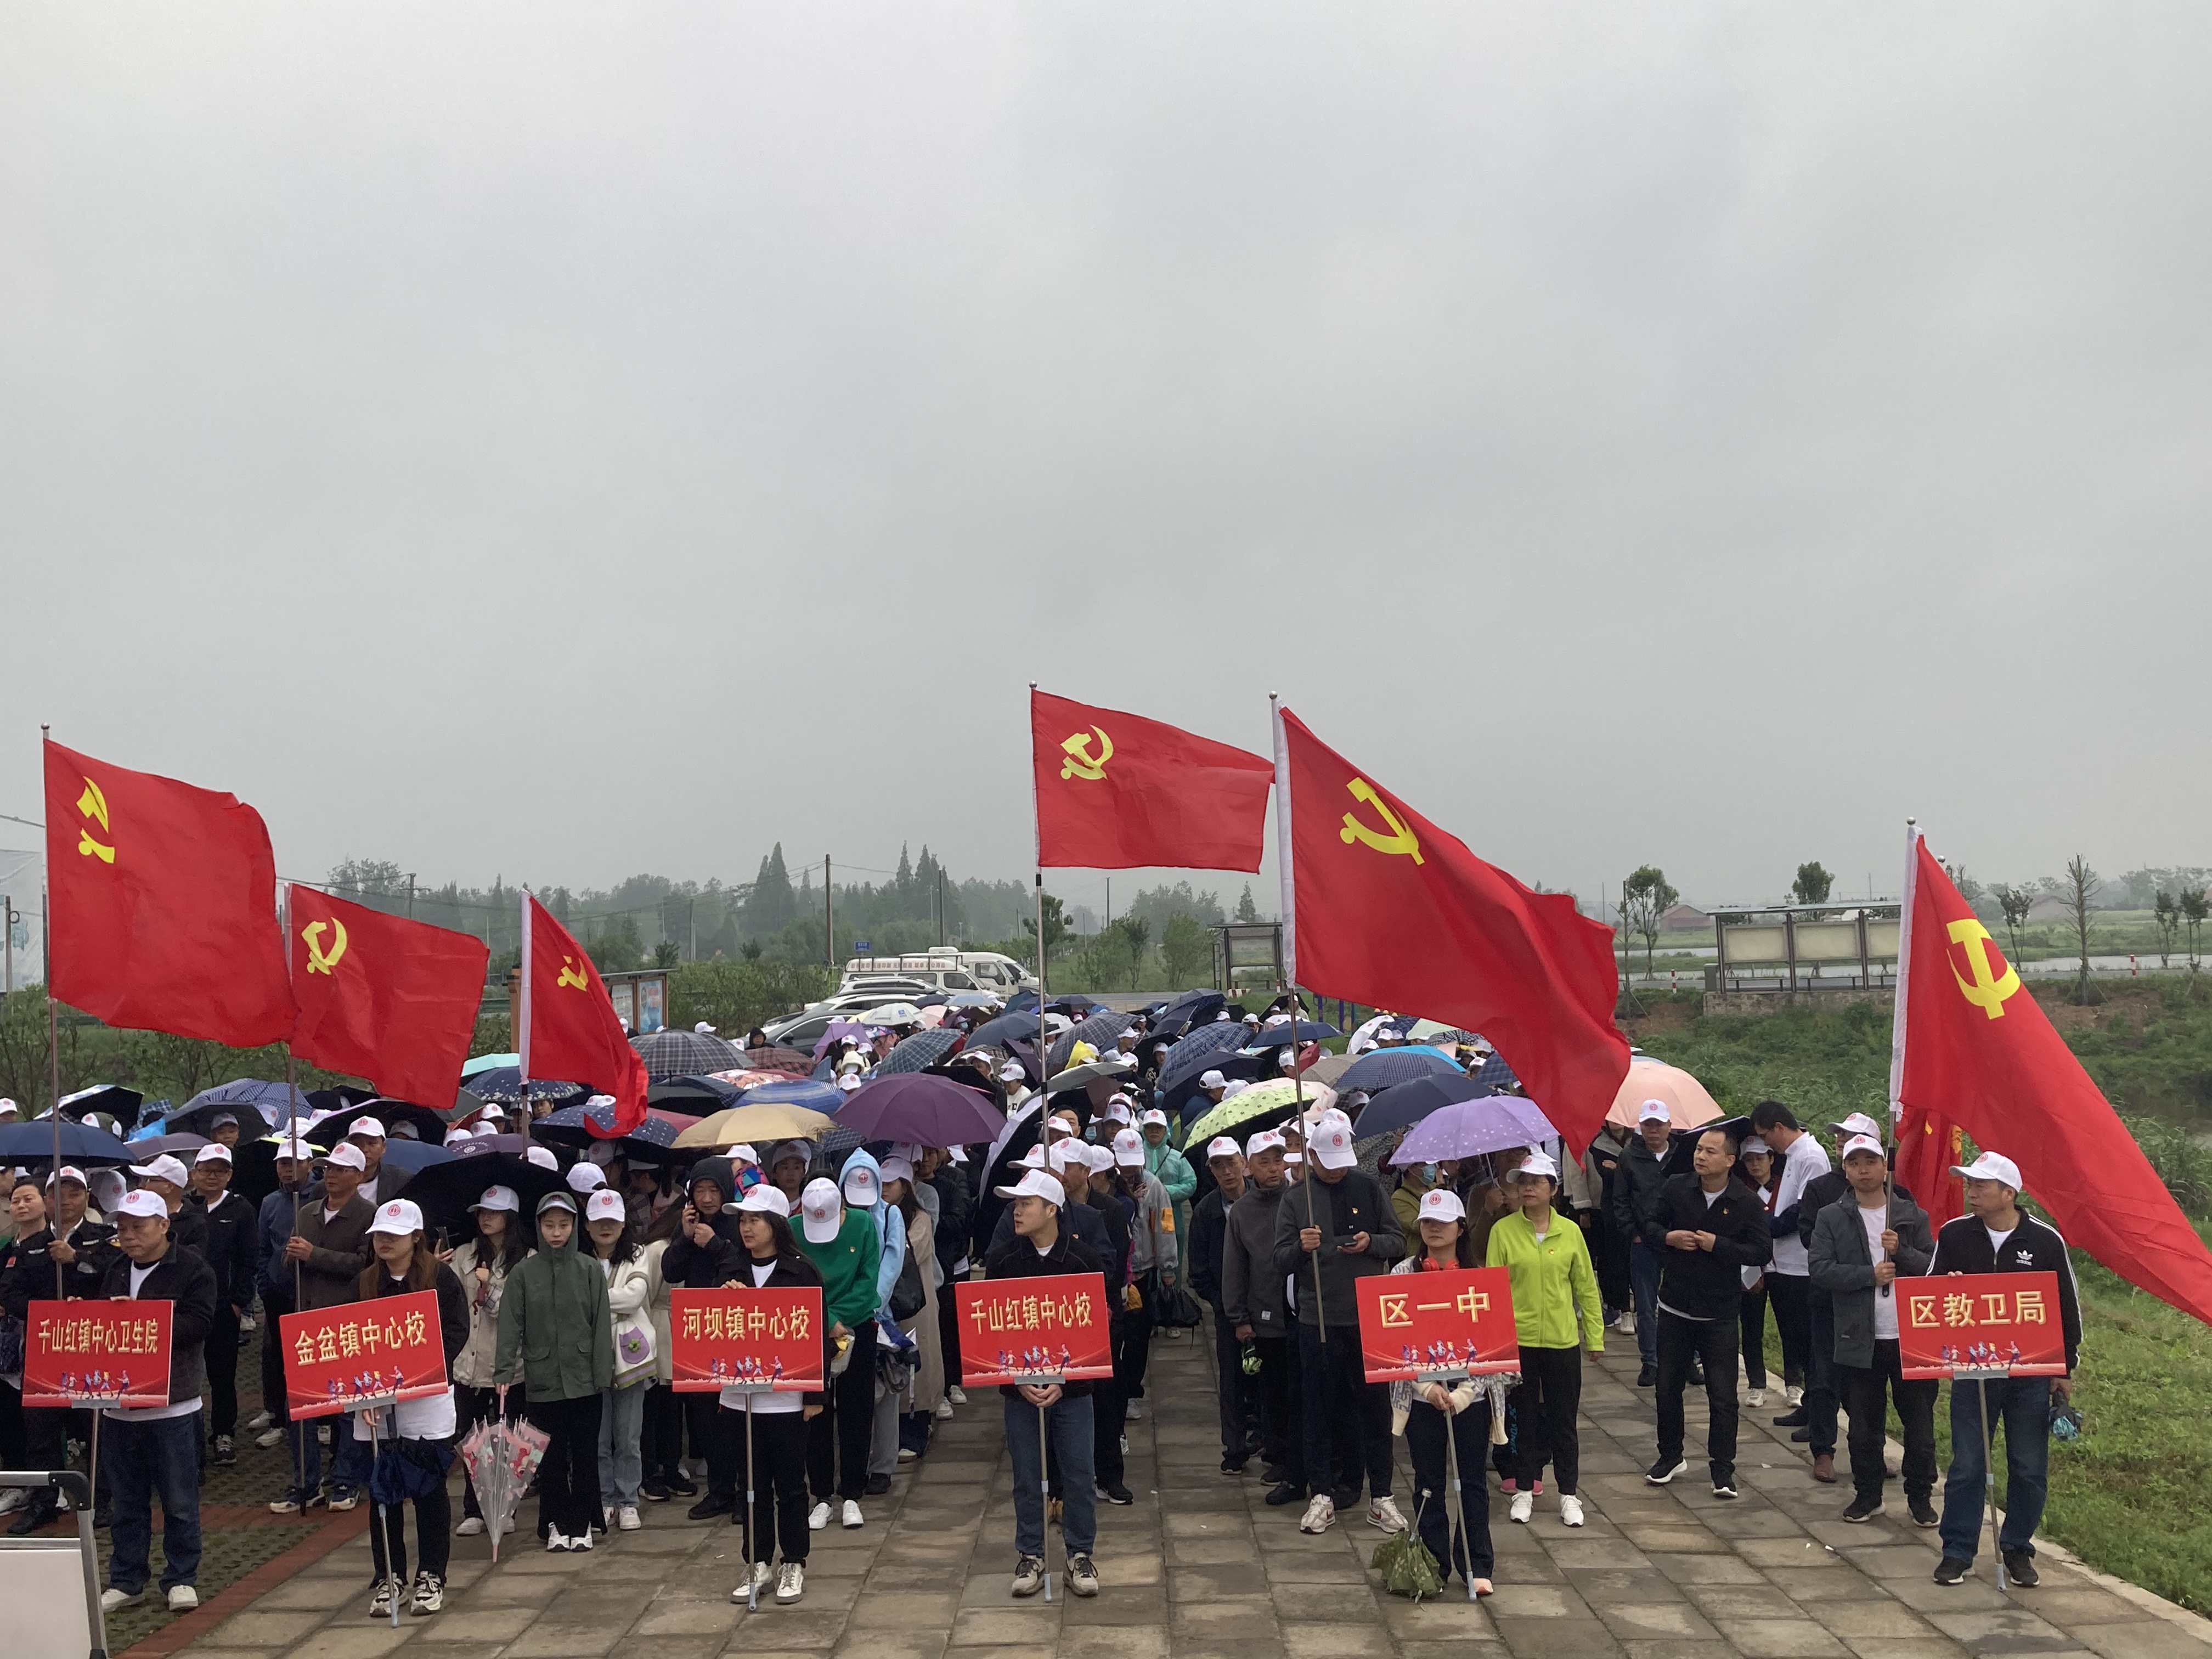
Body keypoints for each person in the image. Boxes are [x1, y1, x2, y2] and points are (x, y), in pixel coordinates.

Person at [1931, 1152, 2081, 1589]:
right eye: (1970, 1184)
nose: (1972, 1192)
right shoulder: (1954, 1234)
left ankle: (2017, 1548)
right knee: (1968, 1463)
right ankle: (1957, 1551)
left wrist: (2064, 1367)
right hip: (1974, 1369)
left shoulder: (2045, 1241)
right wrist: (1946, 1287)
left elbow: (2066, 1306)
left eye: (1981, 1185)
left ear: (2009, 1193)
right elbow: (1930, 1293)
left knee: (2028, 1465)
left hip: (2030, 1371)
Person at [1271, 1107, 1406, 1536]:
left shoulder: (1367, 1187)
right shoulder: (1297, 1198)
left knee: (1375, 1409)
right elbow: (1279, 1261)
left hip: (1367, 1316)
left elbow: (1397, 1241)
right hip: (1318, 1319)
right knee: (1318, 1408)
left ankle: (1381, 1495)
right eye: (1327, 1164)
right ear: (1311, 1157)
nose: (1335, 1171)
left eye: (1341, 1163)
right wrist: (1301, 1247)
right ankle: (1322, 1494)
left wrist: (1371, 1243)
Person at [983, 1168, 1102, 1599]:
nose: (1017, 1212)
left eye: (1026, 1204)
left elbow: (1096, 1331)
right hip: (1022, 1390)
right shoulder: (1003, 1262)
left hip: (1073, 1390)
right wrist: (1019, 1380)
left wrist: (1063, 1381)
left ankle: (1080, 1553)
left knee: (1079, 1471)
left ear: (1052, 1209)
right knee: (1027, 1475)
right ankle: (1031, 1553)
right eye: (1015, 1204)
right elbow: (992, 1331)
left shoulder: (1083, 1260)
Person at [98, 1188, 218, 1615]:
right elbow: (103, 1326)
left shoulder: (192, 1269)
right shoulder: (116, 1269)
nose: (128, 1235)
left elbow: (199, 1323)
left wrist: (140, 1318)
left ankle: (181, 1577)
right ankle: (126, 1579)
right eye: (122, 1228)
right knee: (126, 1502)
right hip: (119, 1405)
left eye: (138, 1227)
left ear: (164, 1225)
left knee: (179, 1501)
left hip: (172, 1404)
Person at [1808, 1134, 1937, 1526]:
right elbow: (1821, 1269)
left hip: (1910, 1337)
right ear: (1845, 1171)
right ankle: (1868, 1495)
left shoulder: (1911, 1215)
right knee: (1863, 1427)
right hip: (1858, 1336)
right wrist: (1869, 1275)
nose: (1863, 1170)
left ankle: (1920, 1497)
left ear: (1885, 1167)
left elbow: (1932, 1267)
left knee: (1920, 1425)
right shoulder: (1832, 1216)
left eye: (1870, 1162)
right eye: (1854, 1163)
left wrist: (1902, 1252)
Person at [1642, 1126, 1770, 1499]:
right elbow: (1648, 1225)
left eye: (1710, 1152)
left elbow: (1761, 1251)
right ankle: (1670, 1456)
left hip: (1720, 1313)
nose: (1701, 1156)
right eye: (1699, 1149)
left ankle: (1723, 1469)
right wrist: (1668, 1237)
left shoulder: (1745, 1201)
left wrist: (1720, 1245)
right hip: (1675, 1306)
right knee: (1667, 1388)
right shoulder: (1677, 1187)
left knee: (1723, 1396)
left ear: (1730, 1160)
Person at [356, 1199, 468, 1618]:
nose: (385, 1242)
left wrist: (425, 1370)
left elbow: (456, 1330)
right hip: (378, 1400)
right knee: (382, 1491)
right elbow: (353, 1339)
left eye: (394, 1235)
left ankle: (431, 1574)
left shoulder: (440, 1278)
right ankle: (389, 1575)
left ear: (416, 1237)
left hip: (427, 1397)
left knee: (428, 1488)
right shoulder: (367, 1281)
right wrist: (364, 1395)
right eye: (379, 1235)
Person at [725, 1184, 830, 1608]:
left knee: (789, 1484)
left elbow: (816, 1336)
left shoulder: (801, 1272)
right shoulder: (730, 1269)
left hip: (786, 1398)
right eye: (742, 1220)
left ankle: (794, 1561)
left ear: (775, 1224)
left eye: (755, 1219)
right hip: (740, 1396)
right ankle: (757, 1561)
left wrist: (816, 1394)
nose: (746, 1227)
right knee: (750, 1485)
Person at [1486, 1153, 1603, 1527]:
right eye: (1523, 1182)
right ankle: (1523, 1489)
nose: (1528, 1188)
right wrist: (1495, 1341)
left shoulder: (1569, 1232)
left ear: (1553, 1189)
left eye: (1537, 1182)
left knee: (1563, 1420)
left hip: (1561, 1339)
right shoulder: (1503, 1231)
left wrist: (1595, 1336)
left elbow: (1585, 1286)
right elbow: (1493, 1289)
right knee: (1524, 1419)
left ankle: (1569, 1493)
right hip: (1518, 1340)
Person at [1389, 1188, 1496, 1595]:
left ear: (1460, 1228)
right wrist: (1428, 1387)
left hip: (1472, 1397)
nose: (1434, 1229)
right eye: (1427, 1222)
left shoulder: (1478, 1276)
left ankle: (1476, 1563)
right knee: (1428, 1482)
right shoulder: (1402, 1275)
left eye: (1443, 1222)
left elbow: (1492, 1345)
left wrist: (1464, 1394)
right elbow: (1394, 1341)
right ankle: (1432, 1562)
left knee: (1472, 1482)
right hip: (1422, 1397)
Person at [494, 1192, 614, 1551]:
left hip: (585, 1378)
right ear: (539, 1227)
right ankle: (556, 1524)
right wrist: (503, 1372)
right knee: (551, 1456)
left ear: (575, 1226)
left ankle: (583, 1523)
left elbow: (601, 1325)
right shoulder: (523, 1274)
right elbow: (510, 1325)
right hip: (542, 1378)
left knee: (586, 1455)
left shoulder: (589, 1269)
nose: (557, 1233)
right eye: (549, 1226)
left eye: (563, 1225)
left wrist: (602, 1374)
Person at [2, 1166, 114, 1535]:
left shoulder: (104, 1238)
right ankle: (44, 1503)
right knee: (41, 1432)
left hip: (92, 1350)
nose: (65, 1201)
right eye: (56, 1194)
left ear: (87, 1197)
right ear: (46, 1200)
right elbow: (10, 1292)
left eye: (74, 1193)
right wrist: (47, 1313)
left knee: (96, 1428)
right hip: (46, 1351)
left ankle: (102, 1499)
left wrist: (76, 1257)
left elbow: (116, 1274)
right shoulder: (31, 1244)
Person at [1785, 1113, 1887, 1484]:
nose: (1843, 1141)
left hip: (1876, 1308)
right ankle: (1824, 1450)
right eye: (1841, 1137)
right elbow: (1810, 1239)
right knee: (1824, 1376)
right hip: (1829, 1301)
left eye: (1854, 1137)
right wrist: (1856, 1265)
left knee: (1870, 1384)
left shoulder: (1897, 1198)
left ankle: (1873, 1452)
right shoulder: (1820, 1190)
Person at [280, 1141, 375, 1511]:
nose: (331, 1175)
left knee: (349, 1407)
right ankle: (306, 1482)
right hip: (306, 1322)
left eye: (341, 1170)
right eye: (328, 1169)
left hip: (344, 1321)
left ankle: (346, 1481)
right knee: (300, 1408)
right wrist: (292, 1257)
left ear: (360, 1176)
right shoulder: (306, 1211)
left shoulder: (368, 1215)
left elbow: (365, 1265)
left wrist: (314, 1255)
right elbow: (290, 1260)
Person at [794, 1176, 881, 1532]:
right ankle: (822, 1495)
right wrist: (826, 1320)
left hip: (857, 1325)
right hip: (811, 1327)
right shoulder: (793, 1228)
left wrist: (839, 1320)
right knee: (814, 1412)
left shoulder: (863, 1224)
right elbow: (796, 1280)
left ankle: (852, 1494)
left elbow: (868, 1280)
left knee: (856, 1410)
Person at [1222, 1128, 1302, 1504]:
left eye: (1278, 1160)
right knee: (1274, 1393)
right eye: (1264, 1162)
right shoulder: (1242, 1211)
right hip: (1265, 1314)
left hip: (1303, 1312)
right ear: (1249, 1167)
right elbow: (1235, 1268)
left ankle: (1305, 1459)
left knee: (1305, 1390)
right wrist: (1239, 1318)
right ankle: (1280, 1456)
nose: (1273, 1168)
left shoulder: (1300, 1198)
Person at [663, 1158, 745, 1519]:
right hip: (698, 1328)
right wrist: (685, 1236)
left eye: (714, 1190)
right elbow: (671, 1271)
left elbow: (742, 1267)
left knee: (737, 1413)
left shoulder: (739, 1222)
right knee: (705, 1415)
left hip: (736, 1327)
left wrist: (714, 1244)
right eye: (700, 1190)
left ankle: (745, 1493)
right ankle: (719, 1490)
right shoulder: (689, 1225)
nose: (708, 1198)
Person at [452, 1186, 528, 1537]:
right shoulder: (463, 1255)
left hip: (507, 1365)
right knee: (472, 1439)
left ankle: (504, 1508)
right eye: (482, 1212)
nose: (486, 1218)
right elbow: (451, 1302)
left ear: (510, 1218)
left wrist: (490, 1287)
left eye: (494, 1213)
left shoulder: (526, 1261)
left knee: (506, 1438)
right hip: (468, 1364)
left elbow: (515, 1313)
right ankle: (474, 1508)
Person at [1758, 1102, 1833, 1455]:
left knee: (1810, 1344)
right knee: (1796, 1342)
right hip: (1783, 1263)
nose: (1766, 1144)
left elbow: (1804, 1210)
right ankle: (1808, 1407)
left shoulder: (1812, 1157)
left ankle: (1819, 1416)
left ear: (1778, 1127)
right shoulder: (1794, 1155)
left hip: (1802, 1266)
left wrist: (1769, 1226)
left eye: (1765, 1136)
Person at [584, 1188, 657, 1533]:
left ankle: (628, 1500)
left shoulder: (638, 1254)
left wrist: (593, 1300)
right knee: (598, 1435)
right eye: (599, 1221)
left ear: (624, 1223)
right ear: (587, 1225)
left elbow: (635, 1297)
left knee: (628, 1435)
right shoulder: (579, 1258)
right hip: (589, 1356)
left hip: (631, 1357)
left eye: (612, 1221)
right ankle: (604, 1497)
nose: (606, 1227)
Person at [1189, 1135, 1259, 1475]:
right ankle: (1234, 1448)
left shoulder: (1264, 1200)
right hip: (1227, 1310)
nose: (1227, 1172)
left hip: (1266, 1305)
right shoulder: (1206, 1212)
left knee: (1268, 1377)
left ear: (1243, 1163)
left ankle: (1269, 1440)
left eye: (1231, 1163)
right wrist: (1223, 1304)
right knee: (1231, 1379)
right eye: (1219, 1166)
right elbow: (1198, 1271)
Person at [185, 1143, 255, 1468]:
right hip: (186, 1308)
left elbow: (248, 1260)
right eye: (206, 1170)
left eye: (220, 1171)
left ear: (229, 1175)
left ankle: (224, 1433)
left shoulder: (240, 1208)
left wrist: (239, 1302)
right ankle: (189, 1436)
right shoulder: (184, 1208)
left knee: (223, 1376)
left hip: (223, 1308)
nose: (212, 1176)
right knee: (185, 1373)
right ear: (194, 1173)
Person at [1110, 1128, 1178, 1427]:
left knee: (1138, 1338)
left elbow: (1165, 1224)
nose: (1128, 1169)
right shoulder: (1105, 1185)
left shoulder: (1154, 1187)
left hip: (1143, 1272)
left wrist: (1168, 1266)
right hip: (1114, 1274)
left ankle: (1132, 1392)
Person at [253, 1137, 314, 1463]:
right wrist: (265, 1286)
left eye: (295, 1163)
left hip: (311, 1293)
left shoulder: (320, 1196)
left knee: (311, 1357)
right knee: (277, 1356)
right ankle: (278, 1419)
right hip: (278, 1293)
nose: (288, 1169)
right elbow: (264, 1248)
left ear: (309, 1165)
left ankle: (318, 1419)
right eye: (283, 1163)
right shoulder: (270, 1202)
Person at [1607, 1102, 1674, 1386]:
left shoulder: (1681, 1155)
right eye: (1648, 1124)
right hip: (1643, 1241)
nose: (1653, 1130)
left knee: (1681, 1303)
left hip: (1676, 1240)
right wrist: (1632, 1232)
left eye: (1659, 1124)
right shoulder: (1629, 1156)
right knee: (1646, 1306)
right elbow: (1620, 1199)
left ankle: (1687, 1361)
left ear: (1669, 1126)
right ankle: (1651, 1361)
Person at [1732, 1137, 1779, 1409]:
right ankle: (1756, 1384)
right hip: (1751, 1266)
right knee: (1751, 1327)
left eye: (1760, 1158)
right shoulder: (1740, 1190)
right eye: (1749, 1160)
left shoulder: (1785, 1185)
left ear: (1771, 1158)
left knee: (1790, 1327)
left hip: (1783, 1266)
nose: (1755, 1164)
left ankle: (1794, 1381)